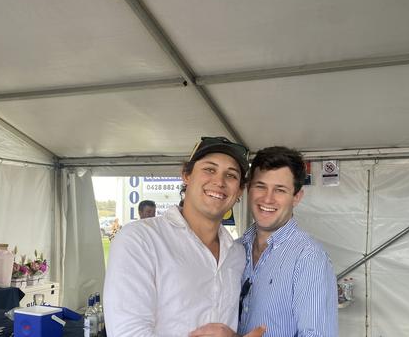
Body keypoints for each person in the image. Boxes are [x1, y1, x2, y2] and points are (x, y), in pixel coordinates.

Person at [104, 137, 265, 337]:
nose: (219, 182)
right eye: (209, 169)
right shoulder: (140, 239)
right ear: (186, 175)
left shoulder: (237, 253)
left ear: (240, 190)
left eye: (231, 175)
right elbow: (126, 333)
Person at [190, 146, 338, 337]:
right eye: (260, 186)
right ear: (248, 189)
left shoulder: (308, 258)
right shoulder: (235, 249)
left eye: (280, 190)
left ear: (296, 197)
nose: (268, 199)